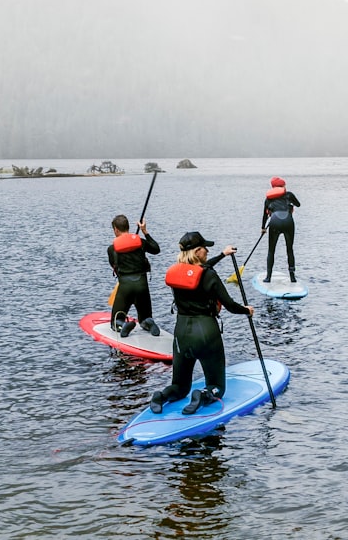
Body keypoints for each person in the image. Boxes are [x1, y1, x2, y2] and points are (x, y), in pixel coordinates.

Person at [149, 232, 254, 416]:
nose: (207, 251)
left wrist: (222, 254)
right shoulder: (210, 276)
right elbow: (229, 305)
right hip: (206, 334)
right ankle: (203, 394)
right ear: (197, 251)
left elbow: (198, 270)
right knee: (218, 386)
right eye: (205, 248)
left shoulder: (176, 273)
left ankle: (161, 396)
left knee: (180, 387)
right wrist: (247, 310)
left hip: (181, 334)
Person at [107, 214, 161, 337]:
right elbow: (156, 249)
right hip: (142, 285)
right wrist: (145, 232)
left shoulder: (112, 249)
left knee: (116, 321)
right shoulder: (140, 242)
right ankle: (148, 322)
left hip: (125, 286)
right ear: (128, 227)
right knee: (145, 317)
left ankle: (123, 325)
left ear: (115, 229)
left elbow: (114, 266)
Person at [262, 176, 302, 283]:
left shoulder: (269, 198)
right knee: (289, 249)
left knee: (271, 250)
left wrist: (263, 228)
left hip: (275, 222)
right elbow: (298, 204)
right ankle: (292, 277)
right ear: (283, 186)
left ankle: (268, 277)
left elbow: (264, 215)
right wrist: (291, 205)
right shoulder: (289, 194)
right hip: (288, 221)